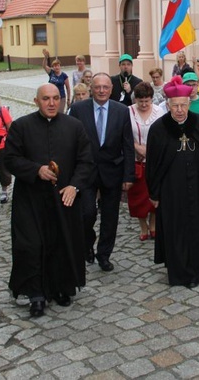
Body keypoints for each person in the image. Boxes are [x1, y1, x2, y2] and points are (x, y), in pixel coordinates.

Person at [4, 84, 93, 317]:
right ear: (36, 101)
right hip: (30, 199)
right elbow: (10, 159)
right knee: (31, 245)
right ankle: (36, 294)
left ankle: (62, 288)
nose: (52, 103)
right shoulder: (21, 127)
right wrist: (36, 170)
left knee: (63, 242)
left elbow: (86, 161)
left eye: (55, 98)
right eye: (46, 99)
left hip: (64, 199)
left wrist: (74, 186)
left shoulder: (74, 126)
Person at [146, 77, 199, 287]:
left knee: (197, 226)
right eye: (175, 106)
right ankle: (179, 273)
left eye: (183, 105)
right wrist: (154, 193)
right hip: (171, 191)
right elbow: (153, 164)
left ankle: (198, 271)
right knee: (175, 230)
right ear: (168, 105)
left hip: (198, 187)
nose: (179, 110)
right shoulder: (158, 129)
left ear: (189, 104)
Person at [70, 73, 135, 272]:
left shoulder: (122, 111)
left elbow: (128, 144)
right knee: (86, 213)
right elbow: (70, 142)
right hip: (86, 172)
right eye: (97, 87)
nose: (101, 91)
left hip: (112, 171)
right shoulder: (78, 109)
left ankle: (104, 254)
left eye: (105, 87)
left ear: (111, 89)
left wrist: (128, 176)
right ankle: (87, 242)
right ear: (91, 88)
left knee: (110, 216)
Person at [128, 82, 165, 241]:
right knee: (137, 196)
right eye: (140, 101)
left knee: (154, 192)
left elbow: (163, 135)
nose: (143, 104)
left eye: (147, 101)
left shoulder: (159, 111)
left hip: (155, 159)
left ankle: (153, 223)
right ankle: (142, 225)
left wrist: (150, 150)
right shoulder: (127, 112)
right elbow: (123, 135)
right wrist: (136, 147)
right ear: (135, 99)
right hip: (135, 160)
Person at [42, 49, 71, 113]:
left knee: (60, 113)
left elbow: (68, 88)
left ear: (60, 66)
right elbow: (44, 66)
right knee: (52, 112)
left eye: (57, 66)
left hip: (61, 97)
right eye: (54, 66)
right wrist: (45, 57)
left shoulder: (64, 75)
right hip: (51, 96)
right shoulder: (51, 73)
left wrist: (69, 99)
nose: (56, 67)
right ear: (53, 67)